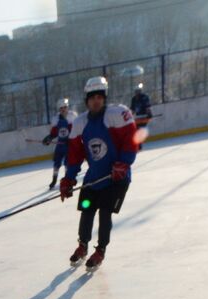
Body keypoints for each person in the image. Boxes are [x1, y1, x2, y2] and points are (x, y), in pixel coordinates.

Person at [59, 76, 138, 272]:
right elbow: (75, 154)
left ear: (104, 98)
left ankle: (100, 250)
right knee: (86, 209)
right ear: (86, 100)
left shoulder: (118, 115)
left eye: (100, 96)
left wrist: (124, 163)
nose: (96, 100)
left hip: (116, 179)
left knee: (105, 213)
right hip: (94, 179)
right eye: (92, 97)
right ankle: (82, 245)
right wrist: (69, 178)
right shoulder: (80, 123)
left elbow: (131, 139)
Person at [41, 98, 76, 190]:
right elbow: (54, 133)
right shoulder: (56, 119)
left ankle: (67, 179)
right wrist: (49, 138)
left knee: (67, 163)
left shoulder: (72, 117)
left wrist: (71, 140)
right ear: (59, 109)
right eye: (61, 108)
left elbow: (75, 131)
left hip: (69, 145)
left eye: (65, 107)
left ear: (67, 107)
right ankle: (54, 179)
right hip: (60, 145)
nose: (63, 110)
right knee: (56, 163)